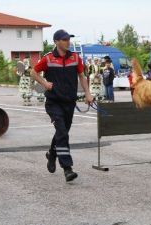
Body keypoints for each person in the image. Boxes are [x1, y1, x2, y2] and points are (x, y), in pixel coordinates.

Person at [31, 29, 94, 182]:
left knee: (62, 133)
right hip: (53, 102)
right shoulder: (49, 58)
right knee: (62, 132)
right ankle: (67, 168)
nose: (68, 42)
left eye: (69, 39)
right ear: (57, 42)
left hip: (69, 102)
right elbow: (33, 72)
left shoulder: (75, 58)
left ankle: (52, 154)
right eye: (65, 39)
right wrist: (45, 83)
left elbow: (82, 76)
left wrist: (87, 93)